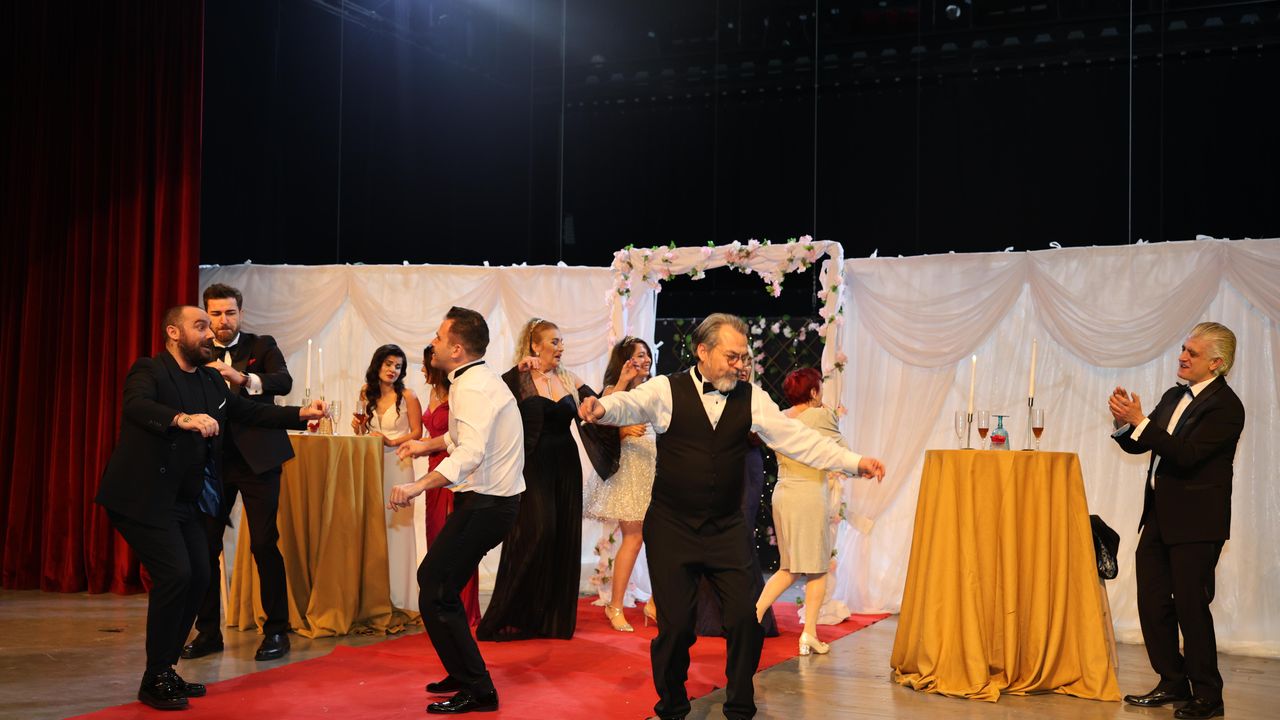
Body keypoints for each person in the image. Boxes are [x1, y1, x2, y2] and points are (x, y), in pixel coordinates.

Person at [579, 313, 885, 720]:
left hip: (726, 528)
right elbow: (628, 404)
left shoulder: (752, 397)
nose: (740, 365)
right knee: (676, 628)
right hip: (672, 527)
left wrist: (853, 461)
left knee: (745, 620)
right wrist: (602, 407)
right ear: (703, 352)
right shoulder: (666, 390)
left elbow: (800, 440)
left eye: (744, 357)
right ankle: (672, 707)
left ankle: (740, 708)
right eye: (732, 356)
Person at [96, 306, 326, 710]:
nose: (210, 333)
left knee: (199, 575)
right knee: (176, 575)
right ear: (173, 333)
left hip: (182, 499)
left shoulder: (210, 380)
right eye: (200, 326)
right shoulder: (150, 370)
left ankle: (164, 671)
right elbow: (137, 406)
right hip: (143, 497)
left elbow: (250, 411)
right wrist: (181, 419)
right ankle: (155, 677)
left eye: (210, 326)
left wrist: (300, 414)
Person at [391, 306, 524, 715]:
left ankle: (478, 689)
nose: (432, 343)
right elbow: (458, 437)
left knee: (435, 587)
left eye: (438, 336)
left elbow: (470, 453)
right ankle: (461, 670)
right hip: (488, 502)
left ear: (457, 349)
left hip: (488, 504)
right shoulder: (472, 380)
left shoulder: (473, 388)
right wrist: (424, 446)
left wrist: (417, 485)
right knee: (438, 585)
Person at [1109, 322, 1244, 720]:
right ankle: (1172, 681)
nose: (1182, 357)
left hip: (1197, 525)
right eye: (1184, 349)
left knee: (1190, 608)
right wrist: (1124, 421)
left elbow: (1185, 455)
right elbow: (1143, 443)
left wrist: (1141, 421)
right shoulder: (1173, 395)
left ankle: (1208, 695)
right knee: (1153, 604)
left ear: (1216, 363)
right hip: (1159, 518)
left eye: (1192, 353)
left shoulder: (1226, 406)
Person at [183, 283, 296, 663]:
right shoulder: (198, 350)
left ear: (241, 314)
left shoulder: (262, 345)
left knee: (263, 543)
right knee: (205, 547)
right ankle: (208, 632)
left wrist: (242, 377)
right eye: (215, 313)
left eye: (230, 313)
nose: (223, 320)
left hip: (259, 461)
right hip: (213, 463)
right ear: (206, 315)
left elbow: (283, 381)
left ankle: (277, 631)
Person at [475, 317, 599, 641]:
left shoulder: (569, 378)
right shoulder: (518, 378)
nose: (561, 347)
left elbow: (598, 403)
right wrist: (516, 370)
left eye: (561, 341)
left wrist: (621, 384)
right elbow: (489, 399)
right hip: (533, 465)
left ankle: (551, 620)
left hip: (566, 466)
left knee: (561, 534)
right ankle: (511, 615)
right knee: (538, 529)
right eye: (554, 341)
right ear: (535, 345)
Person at [754, 368, 850, 655]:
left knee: (789, 567)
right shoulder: (821, 416)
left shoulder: (781, 418)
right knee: (817, 567)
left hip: (783, 493)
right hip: (808, 494)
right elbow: (843, 454)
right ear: (813, 392)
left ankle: (752, 617)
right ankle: (808, 633)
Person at [695, 362, 779, 639]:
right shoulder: (713, 395)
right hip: (717, 469)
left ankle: (749, 617)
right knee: (715, 535)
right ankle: (710, 618)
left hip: (746, 468)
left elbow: (764, 436)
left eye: (748, 363)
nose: (743, 368)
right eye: (738, 362)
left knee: (740, 535)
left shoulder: (756, 398)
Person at [585, 337, 657, 632]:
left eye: (647, 354)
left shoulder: (655, 389)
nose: (645, 360)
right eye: (638, 355)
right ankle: (615, 605)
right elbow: (599, 426)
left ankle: (655, 603)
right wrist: (623, 431)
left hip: (654, 468)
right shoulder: (614, 391)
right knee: (634, 537)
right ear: (624, 360)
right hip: (629, 471)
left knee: (660, 538)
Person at [354, 344, 423, 613]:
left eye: (398, 366)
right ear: (378, 364)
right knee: (374, 525)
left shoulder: (408, 395)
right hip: (372, 463)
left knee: (397, 526)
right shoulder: (365, 392)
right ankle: (375, 594)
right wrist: (359, 428)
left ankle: (402, 596)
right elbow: (363, 431)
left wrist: (392, 441)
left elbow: (417, 432)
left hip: (399, 463)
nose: (393, 370)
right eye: (389, 364)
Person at [419, 344, 480, 626]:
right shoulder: (432, 393)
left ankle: (462, 608)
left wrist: (424, 446)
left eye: (426, 363)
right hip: (433, 468)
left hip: (453, 468)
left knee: (455, 540)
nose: (423, 369)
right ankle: (438, 602)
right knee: (435, 536)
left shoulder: (457, 392)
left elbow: (457, 439)